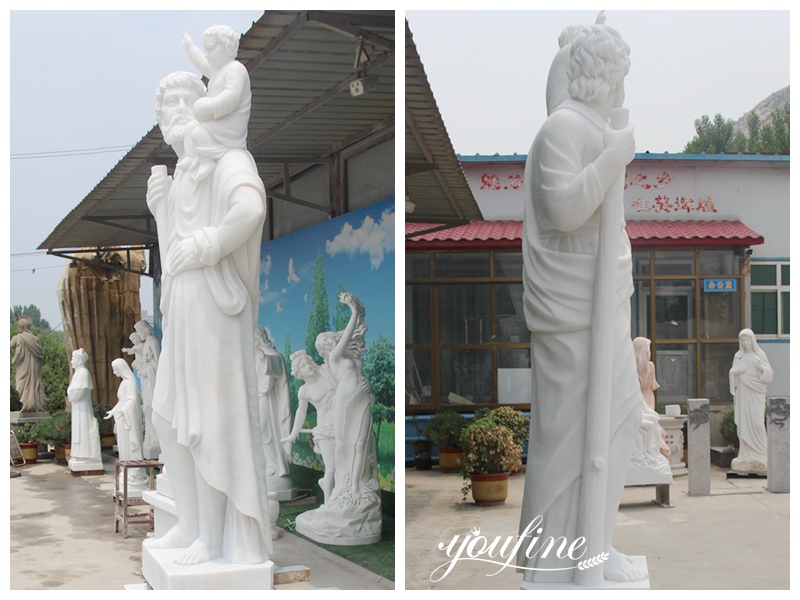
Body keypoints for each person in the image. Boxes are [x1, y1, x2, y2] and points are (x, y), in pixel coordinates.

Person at [518, 23, 645, 585]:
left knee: (620, 421)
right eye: (617, 77)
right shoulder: (561, 130)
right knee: (566, 435)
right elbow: (564, 211)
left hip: (604, 299)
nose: (622, 90)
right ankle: (554, 555)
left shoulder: (588, 126)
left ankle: (598, 540)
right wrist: (611, 159)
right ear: (599, 76)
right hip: (571, 308)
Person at [145, 69, 270, 566]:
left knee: (210, 420)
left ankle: (213, 538)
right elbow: (172, 254)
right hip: (182, 308)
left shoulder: (228, 160)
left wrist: (207, 243)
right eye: (166, 105)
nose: (176, 110)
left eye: (185, 99)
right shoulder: (179, 180)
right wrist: (160, 213)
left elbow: (251, 210)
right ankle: (192, 525)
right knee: (167, 415)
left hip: (216, 307)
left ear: (207, 105)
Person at [178, 25, 250, 182]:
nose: (207, 54)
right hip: (216, 118)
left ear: (227, 46)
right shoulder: (217, 71)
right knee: (190, 128)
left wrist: (211, 107)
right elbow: (203, 65)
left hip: (229, 123)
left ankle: (207, 161)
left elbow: (233, 96)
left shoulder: (235, 69)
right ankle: (192, 157)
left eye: (210, 49)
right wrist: (191, 49)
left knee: (198, 132)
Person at [282, 350, 337, 503]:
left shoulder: (327, 375)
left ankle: (337, 497)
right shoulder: (304, 391)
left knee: (342, 468)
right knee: (331, 468)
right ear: (299, 372)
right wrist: (293, 435)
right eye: (303, 365)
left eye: (308, 362)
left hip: (341, 426)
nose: (308, 366)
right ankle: (328, 503)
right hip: (324, 429)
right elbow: (301, 413)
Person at [729, 329, 773, 473]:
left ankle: (762, 453)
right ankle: (746, 454)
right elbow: (733, 374)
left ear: (752, 340)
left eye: (747, 340)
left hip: (756, 392)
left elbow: (768, 375)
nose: (745, 343)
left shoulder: (759, 355)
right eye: (743, 340)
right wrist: (736, 372)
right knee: (744, 423)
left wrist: (760, 367)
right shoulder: (738, 356)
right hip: (743, 392)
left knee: (757, 422)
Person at [253, 325, 293, 485]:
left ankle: (274, 464)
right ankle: (264, 463)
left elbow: (276, 365)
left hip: (266, 400)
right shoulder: (252, 356)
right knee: (255, 432)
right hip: (254, 399)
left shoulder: (271, 355)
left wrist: (262, 358)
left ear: (259, 337)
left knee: (264, 430)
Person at [107, 358, 148, 489]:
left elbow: (131, 400)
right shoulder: (123, 383)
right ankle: (128, 471)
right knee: (124, 447)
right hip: (122, 420)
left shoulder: (130, 383)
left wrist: (124, 410)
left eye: (115, 369)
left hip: (128, 420)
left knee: (131, 446)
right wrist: (113, 411)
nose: (113, 372)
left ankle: (135, 473)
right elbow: (121, 401)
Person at [122, 320, 161, 456]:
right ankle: (151, 439)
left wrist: (147, 369)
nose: (138, 335)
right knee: (146, 408)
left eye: (139, 331)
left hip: (152, 378)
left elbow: (158, 363)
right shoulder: (146, 343)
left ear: (144, 329)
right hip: (146, 379)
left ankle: (158, 439)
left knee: (150, 407)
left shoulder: (153, 341)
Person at [67, 349, 103, 471]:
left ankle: (85, 455)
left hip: (82, 409)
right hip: (78, 409)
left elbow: (79, 392)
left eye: (73, 358)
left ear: (79, 360)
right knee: (78, 431)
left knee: (83, 431)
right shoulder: (78, 373)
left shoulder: (83, 372)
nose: (72, 361)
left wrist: (70, 393)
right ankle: (78, 454)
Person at [10, 315, 46, 413]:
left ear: (21, 327)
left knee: (20, 385)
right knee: (31, 384)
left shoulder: (18, 338)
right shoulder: (35, 339)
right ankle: (31, 404)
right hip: (33, 368)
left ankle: (25, 405)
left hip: (23, 368)